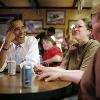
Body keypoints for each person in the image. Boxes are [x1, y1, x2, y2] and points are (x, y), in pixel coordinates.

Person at [34, 3, 100, 100]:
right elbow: (62, 68)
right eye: (75, 26)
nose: (75, 29)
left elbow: (82, 74)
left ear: (89, 31)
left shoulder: (93, 45)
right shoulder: (73, 47)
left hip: (78, 90)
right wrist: (44, 69)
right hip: (69, 87)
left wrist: (57, 74)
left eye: (79, 27)